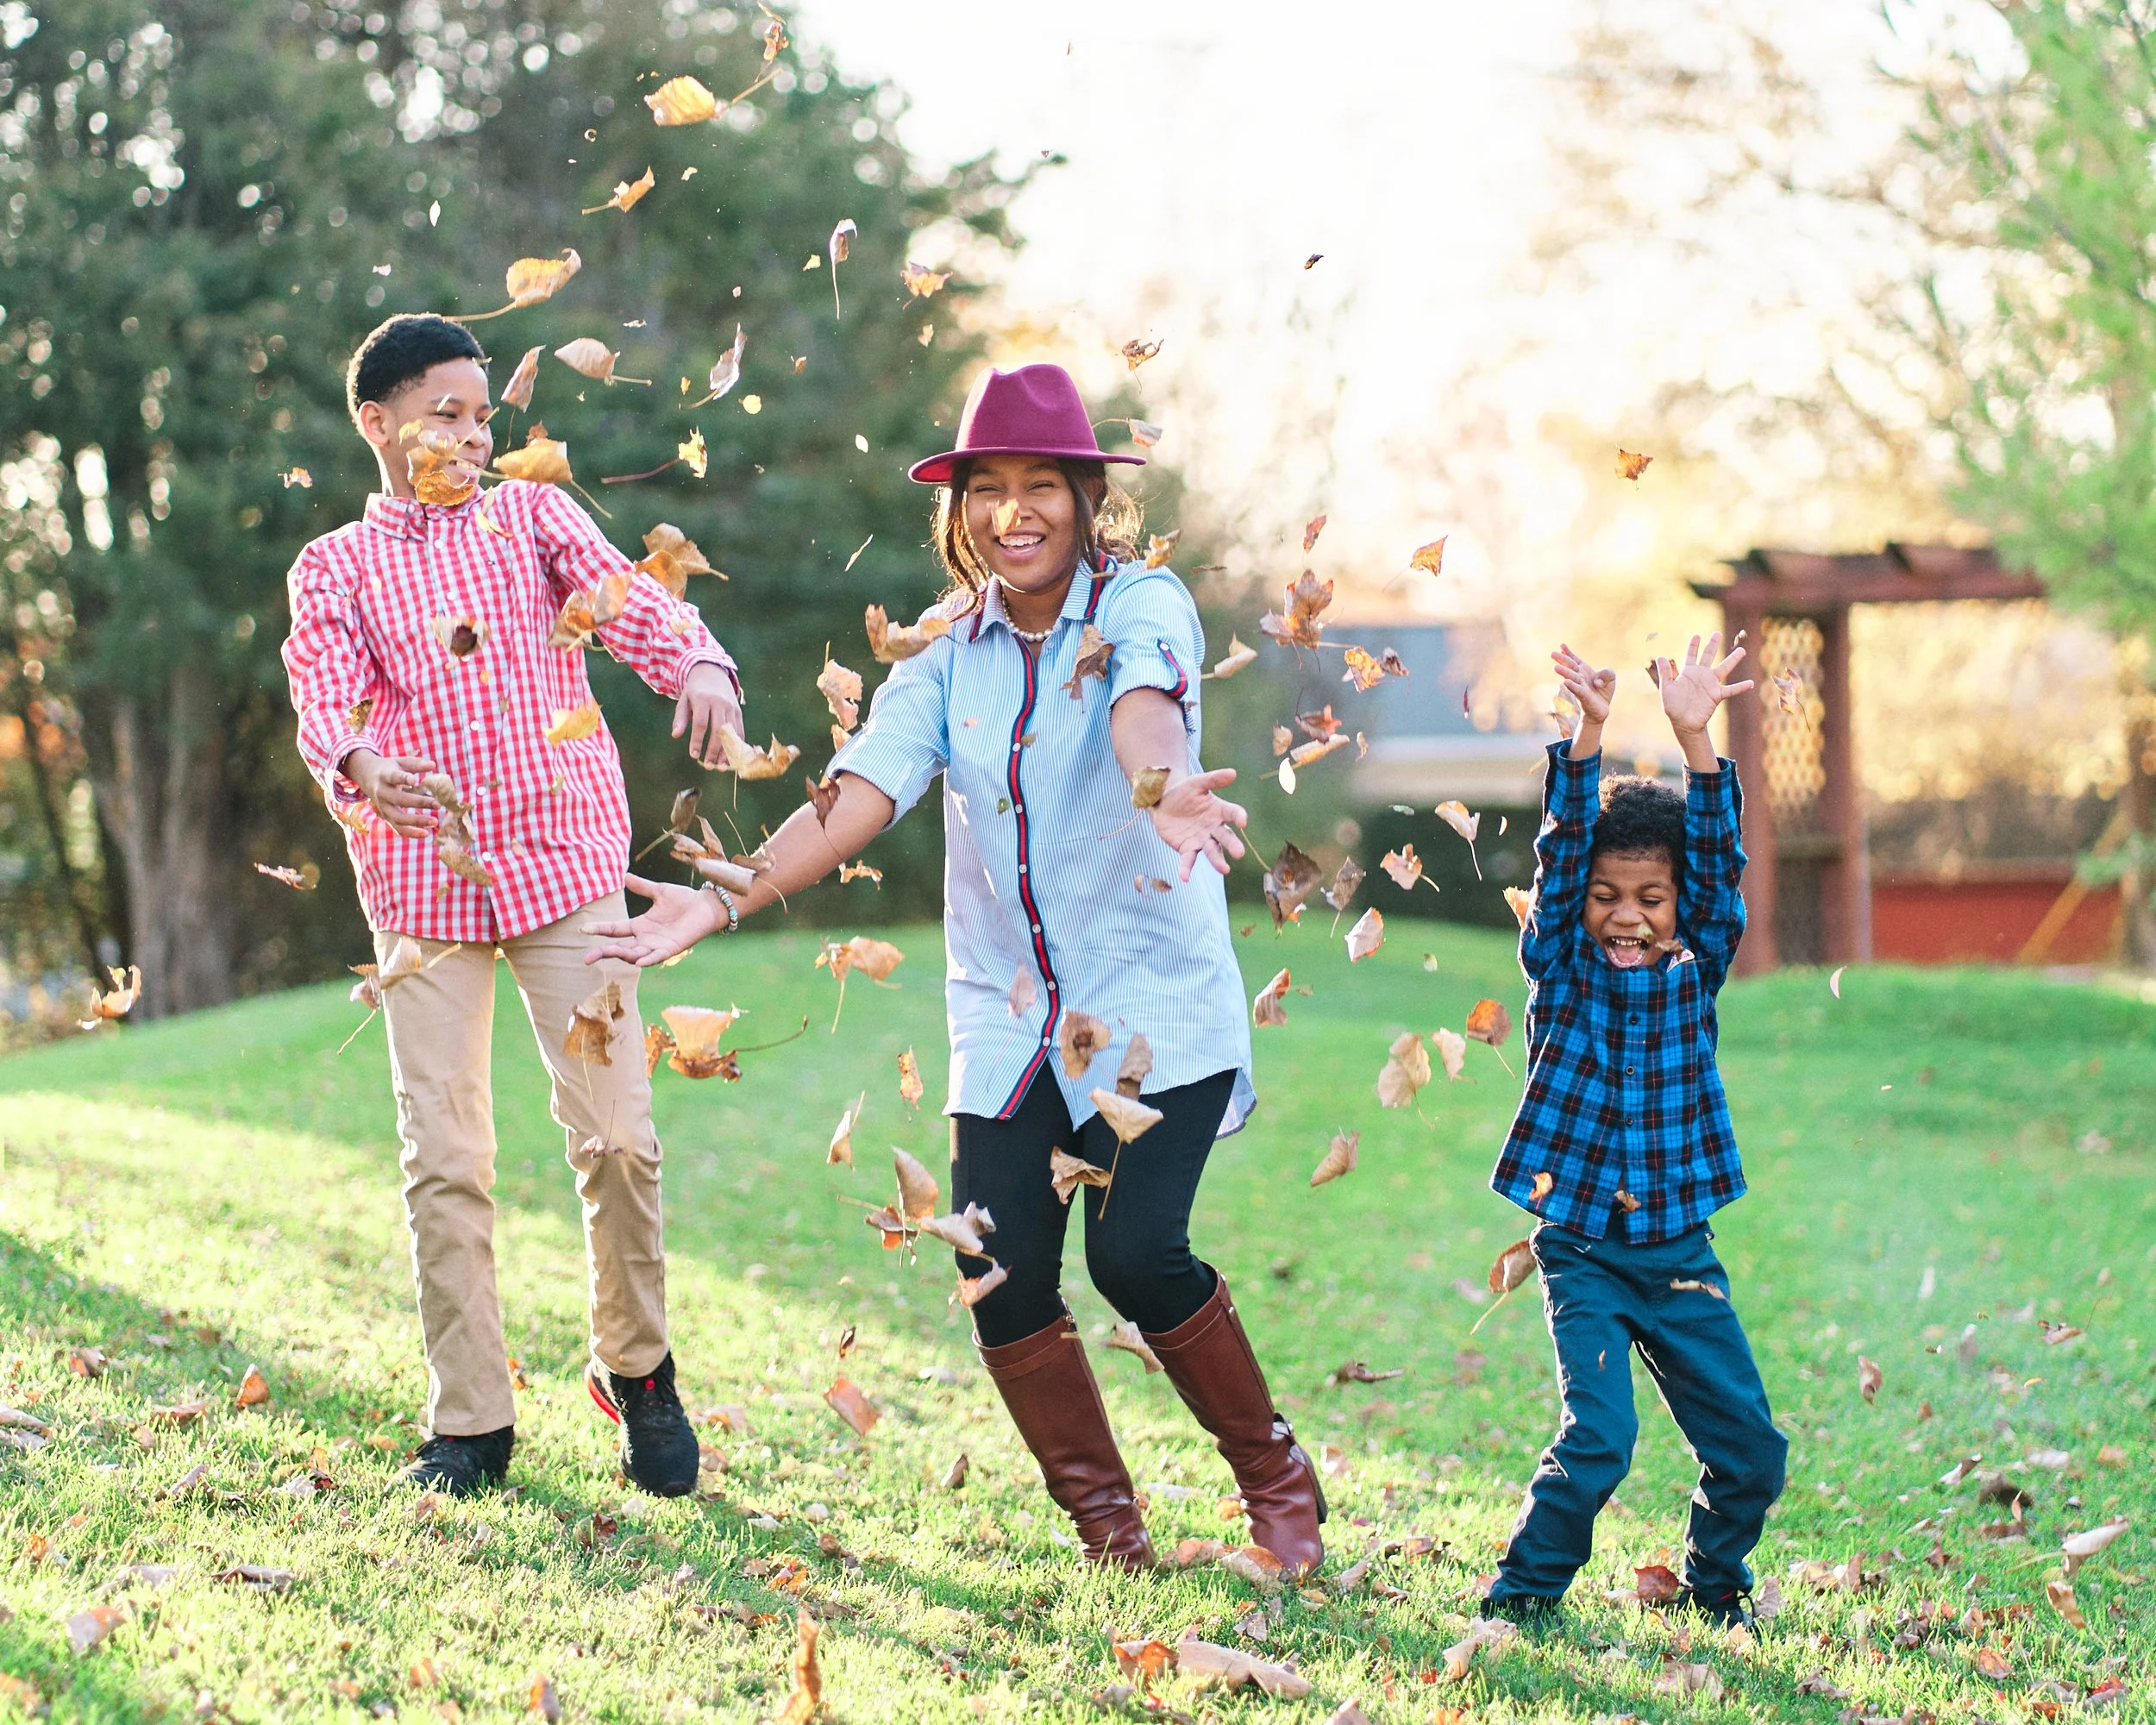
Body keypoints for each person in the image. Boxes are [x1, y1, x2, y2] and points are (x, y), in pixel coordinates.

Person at [584, 363, 1327, 1575]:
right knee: (997, 1267)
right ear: (961, 509)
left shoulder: (1143, 603)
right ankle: (1112, 1535)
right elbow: (857, 800)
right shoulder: (941, 665)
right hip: (1010, 1016)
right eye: (989, 488)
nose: (1013, 511)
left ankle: (1277, 1482)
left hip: (1148, 1008)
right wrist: (724, 904)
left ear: (1091, 502)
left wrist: (1161, 780)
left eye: (1043, 485)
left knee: (1135, 1256)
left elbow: (1144, 705)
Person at [279, 312, 743, 1498]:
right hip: (424, 886)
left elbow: (631, 604)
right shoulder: (334, 567)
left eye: (484, 415)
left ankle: (635, 1368)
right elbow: (325, 695)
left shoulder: (531, 515)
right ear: (377, 424)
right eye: (447, 413)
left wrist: (694, 662)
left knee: (620, 1139)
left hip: (563, 868)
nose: (475, 435)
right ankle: (472, 1422)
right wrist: (357, 763)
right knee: (446, 1157)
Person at [1478, 634, 1788, 1629]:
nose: (1626, 915)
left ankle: (1714, 1582)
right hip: (1583, 1250)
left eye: (1648, 899)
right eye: (1608, 897)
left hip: (1680, 1252)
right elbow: (1562, 850)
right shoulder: (1561, 972)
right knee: (1599, 1440)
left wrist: (1697, 738)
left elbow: (1716, 867)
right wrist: (1591, 731)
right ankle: (1521, 1598)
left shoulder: (1695, 966)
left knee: (1751, 1449)